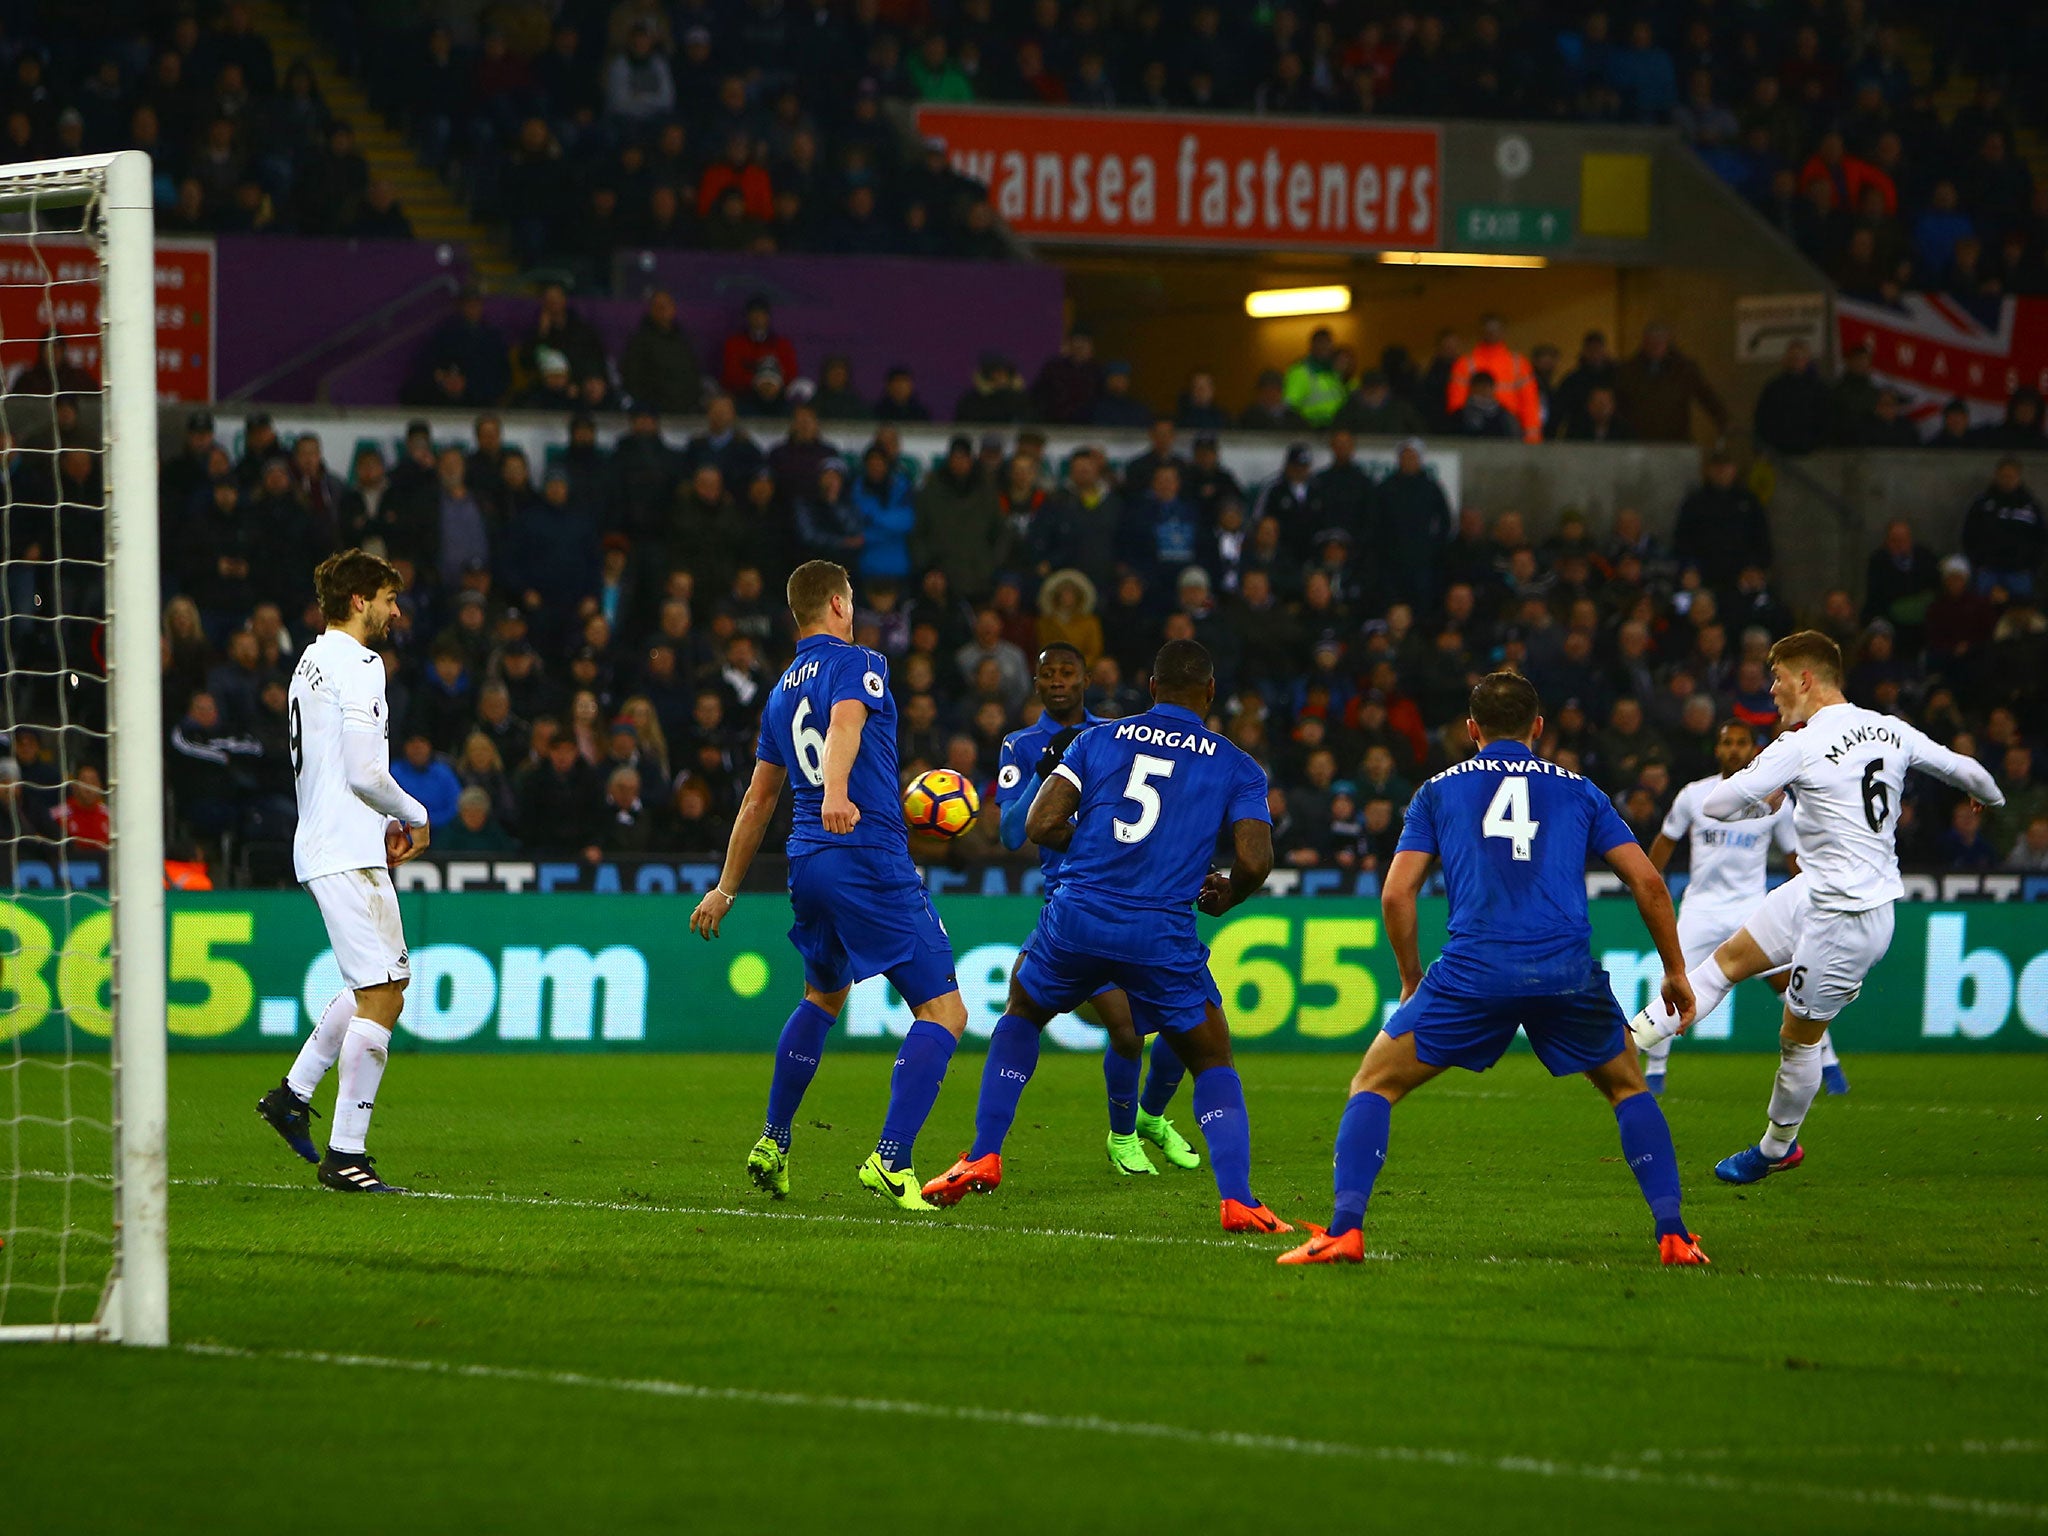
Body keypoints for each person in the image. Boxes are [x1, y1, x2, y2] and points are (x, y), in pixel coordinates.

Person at [1278, 671, 1710, 1268]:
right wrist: (1676, 969)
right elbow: (1649, 882)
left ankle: (1346, 1230)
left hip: (1473, 970)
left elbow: (1397, 895)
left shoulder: (1437, 790)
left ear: (1471, 729)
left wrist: (1410, 980)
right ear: (1537, 727)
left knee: (1374, 1084)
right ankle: (1674, 1236)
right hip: (1565, 970)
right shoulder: (1582, 790)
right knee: (1628, 1088)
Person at [922, 639, 1293, 1236]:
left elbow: (1041, 824)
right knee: (1211, 1057)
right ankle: (1238, 1199)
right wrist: (1228, 893)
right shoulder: (1237, 765)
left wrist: (1100, 845)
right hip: (1159, 929)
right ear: (1211, 693)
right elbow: (1255, 859)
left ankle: (984, 1153)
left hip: (1078, 916)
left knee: (1021, 1012)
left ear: (1150, 689)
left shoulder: (1097, 740)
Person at [1627, 632, 2002, 1186]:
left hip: (1849, 916)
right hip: (1813, 892)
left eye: (1777, 677)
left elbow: (1719, 803)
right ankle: (1625, 1042)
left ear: (1805, 678)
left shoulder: (1797, 745)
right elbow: (1966, 771)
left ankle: (1777, 1147)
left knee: (1795, 1038)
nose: (1772, 689)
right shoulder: (1891, 729)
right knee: (1723, 965)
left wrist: (1767, 792)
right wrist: (1989, 799)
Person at [689, 561, 971, 1210]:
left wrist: (725, 889)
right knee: (945, 1012)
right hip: (864, 852)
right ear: (840, 605)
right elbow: (847, 722)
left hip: (807, 862)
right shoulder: (859, 662)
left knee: (823, 995)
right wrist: (838, 792)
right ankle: (890, 1160)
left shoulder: (780, 691)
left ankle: (774, 1139)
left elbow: (758, 800)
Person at [256, 550, 431, 1195]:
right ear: (360, 601)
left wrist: (379, 821)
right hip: (343, 851)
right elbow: (363, 772)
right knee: (384, 993)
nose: (394, 611)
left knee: (379, 984)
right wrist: (415, 813)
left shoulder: (310, 659)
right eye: (387, 598)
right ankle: (346, 1155)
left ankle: (293, 1096)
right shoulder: (360, 664)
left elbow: (337, 768)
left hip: (339, 840)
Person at [993, 643, 1198, 1176]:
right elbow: (1013, 833)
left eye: (1068, 672)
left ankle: (1149, 1117)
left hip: (1139, 898)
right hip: (1074, 903)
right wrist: (1048, 766)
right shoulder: (1021, 745)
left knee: (1185, 1026)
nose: (1058, 681)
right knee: (1127, 1030)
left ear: (1087, 679)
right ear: (1035, 683)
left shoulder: (1116, 736)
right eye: (1047, 674)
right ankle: (1123, 1134)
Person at [1645, 720, 1847, 1096]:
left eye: (1742, 743)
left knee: (1791, 985)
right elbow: (1666, 841)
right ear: (1717, 750)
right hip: (1700, 909)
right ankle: (1654, 1074)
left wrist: (1813, 899)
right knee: (1674, 985)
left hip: (1751, 909)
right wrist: (1647, 884)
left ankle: (1829, 1064)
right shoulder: (1694, 795)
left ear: (1753, 750)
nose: (1735, 749)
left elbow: (1794, 857)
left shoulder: (1773, 800)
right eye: (1728, 743)